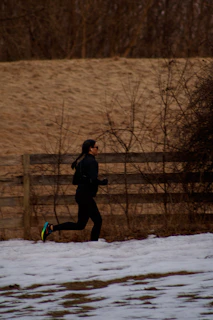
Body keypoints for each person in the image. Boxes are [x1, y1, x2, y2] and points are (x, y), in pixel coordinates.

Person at [41, 139, 108, 242]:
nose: (97, 149)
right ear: (90, 149)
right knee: (98, 221)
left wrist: (85, 178)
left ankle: (50, 228)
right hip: (86, 196)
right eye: (96, 147)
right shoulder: (92, 162)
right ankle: (94, 246)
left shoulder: (81, 162)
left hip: (80, 195)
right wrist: (102, 182)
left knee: (80, 225)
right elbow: (93, 180)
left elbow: (75, 181)